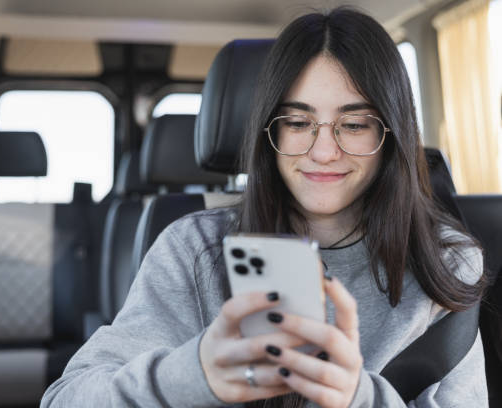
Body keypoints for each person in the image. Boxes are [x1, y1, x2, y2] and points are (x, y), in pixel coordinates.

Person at [40, 7, 487, 408]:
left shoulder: (446, 262)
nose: (324, 151)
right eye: (297, 123)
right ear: (267, 134)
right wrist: (193, 375)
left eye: (353, 124)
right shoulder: (193, 248)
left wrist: (361, 398)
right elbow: (65, 400)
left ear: (389, 134)